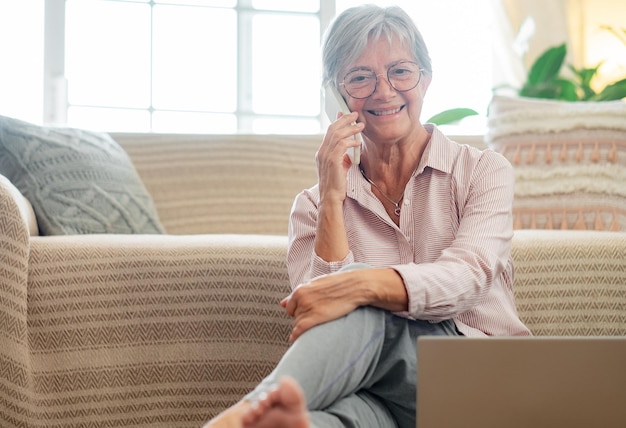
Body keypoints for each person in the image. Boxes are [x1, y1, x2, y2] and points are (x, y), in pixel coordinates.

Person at [203, 4, 531, 428]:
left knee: (365, 308)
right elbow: (318, 317)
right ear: (335, 96)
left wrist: (362, 284)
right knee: (317, 419)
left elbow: (468, 277)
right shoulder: (311, 207)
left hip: (479, 383)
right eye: (360, 77)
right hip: (382, 399)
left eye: (400, 71)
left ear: (425, 80)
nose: (384, 90)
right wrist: (332, 200)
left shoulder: (483, 171)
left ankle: (238, 418)